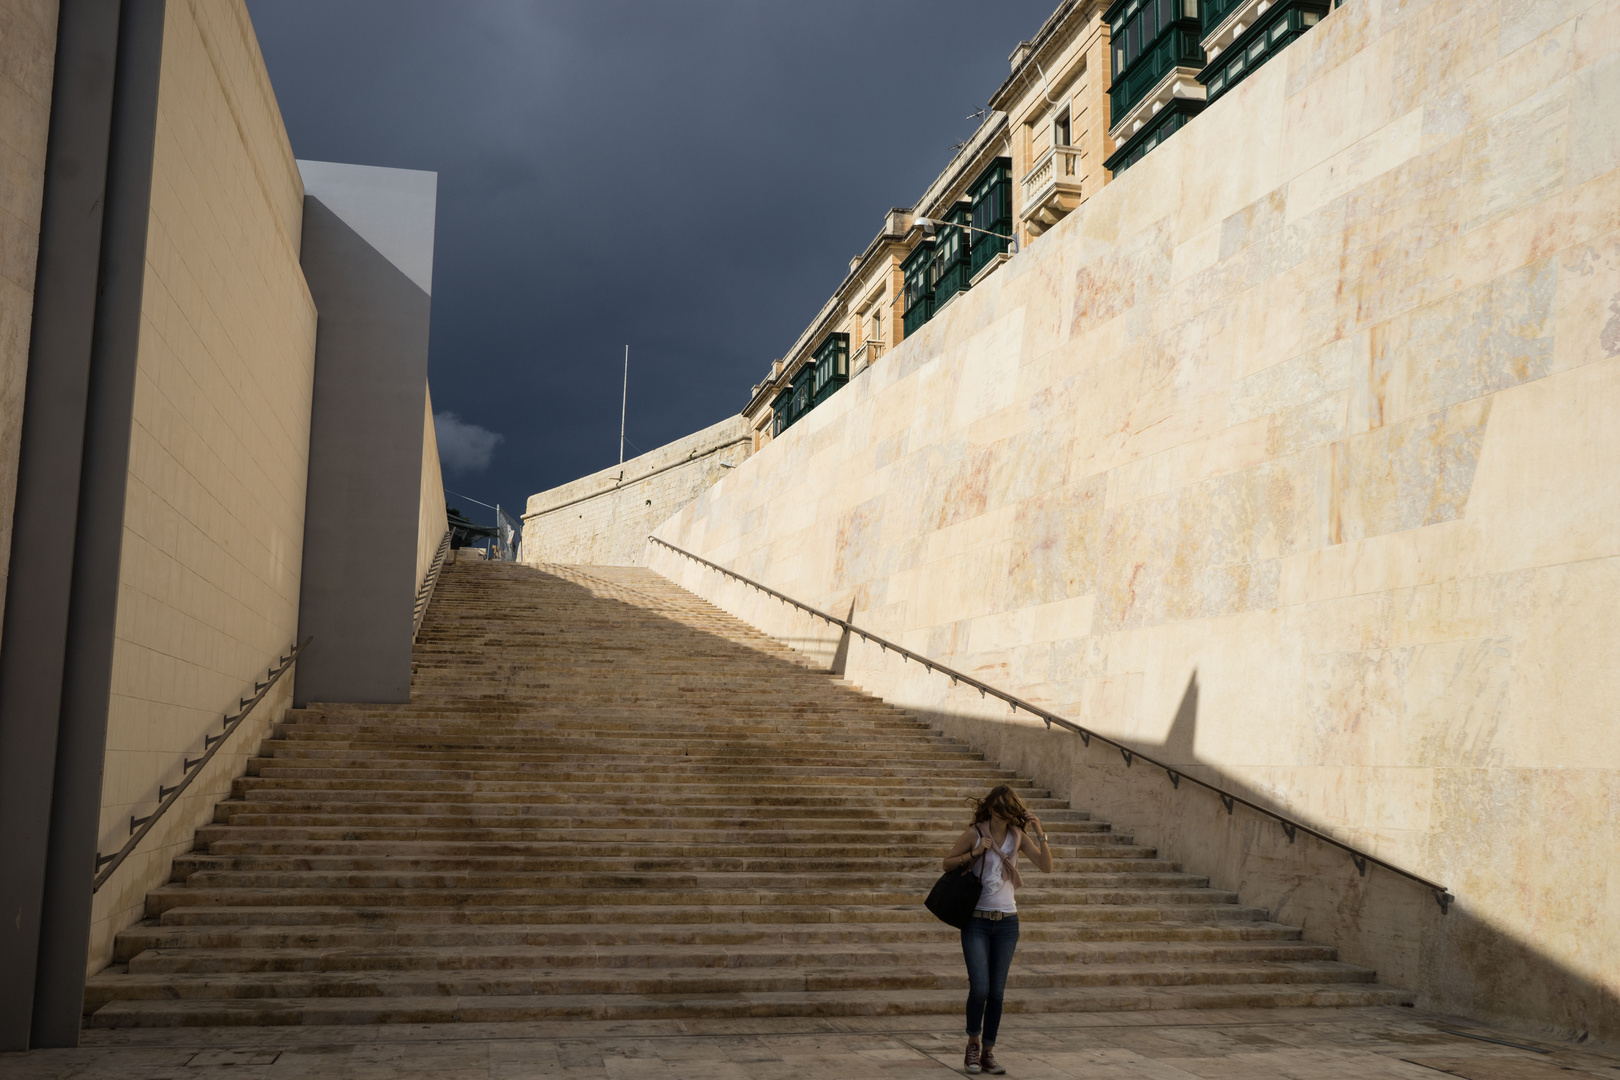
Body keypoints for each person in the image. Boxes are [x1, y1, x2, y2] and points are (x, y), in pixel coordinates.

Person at [940, 784, 1055, 1074]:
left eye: (1012, 807)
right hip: (977, 920)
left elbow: (1046, 866)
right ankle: (973, 1044)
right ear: (992, 808)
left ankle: (989, 1051)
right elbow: (947, 863)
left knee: (997, 993)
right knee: (979, 988)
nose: (1008, 813)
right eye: (1003, 807)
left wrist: (1040, 832)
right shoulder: (975, 833)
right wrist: (975, 853)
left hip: (1007, 921)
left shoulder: (1019, 837)